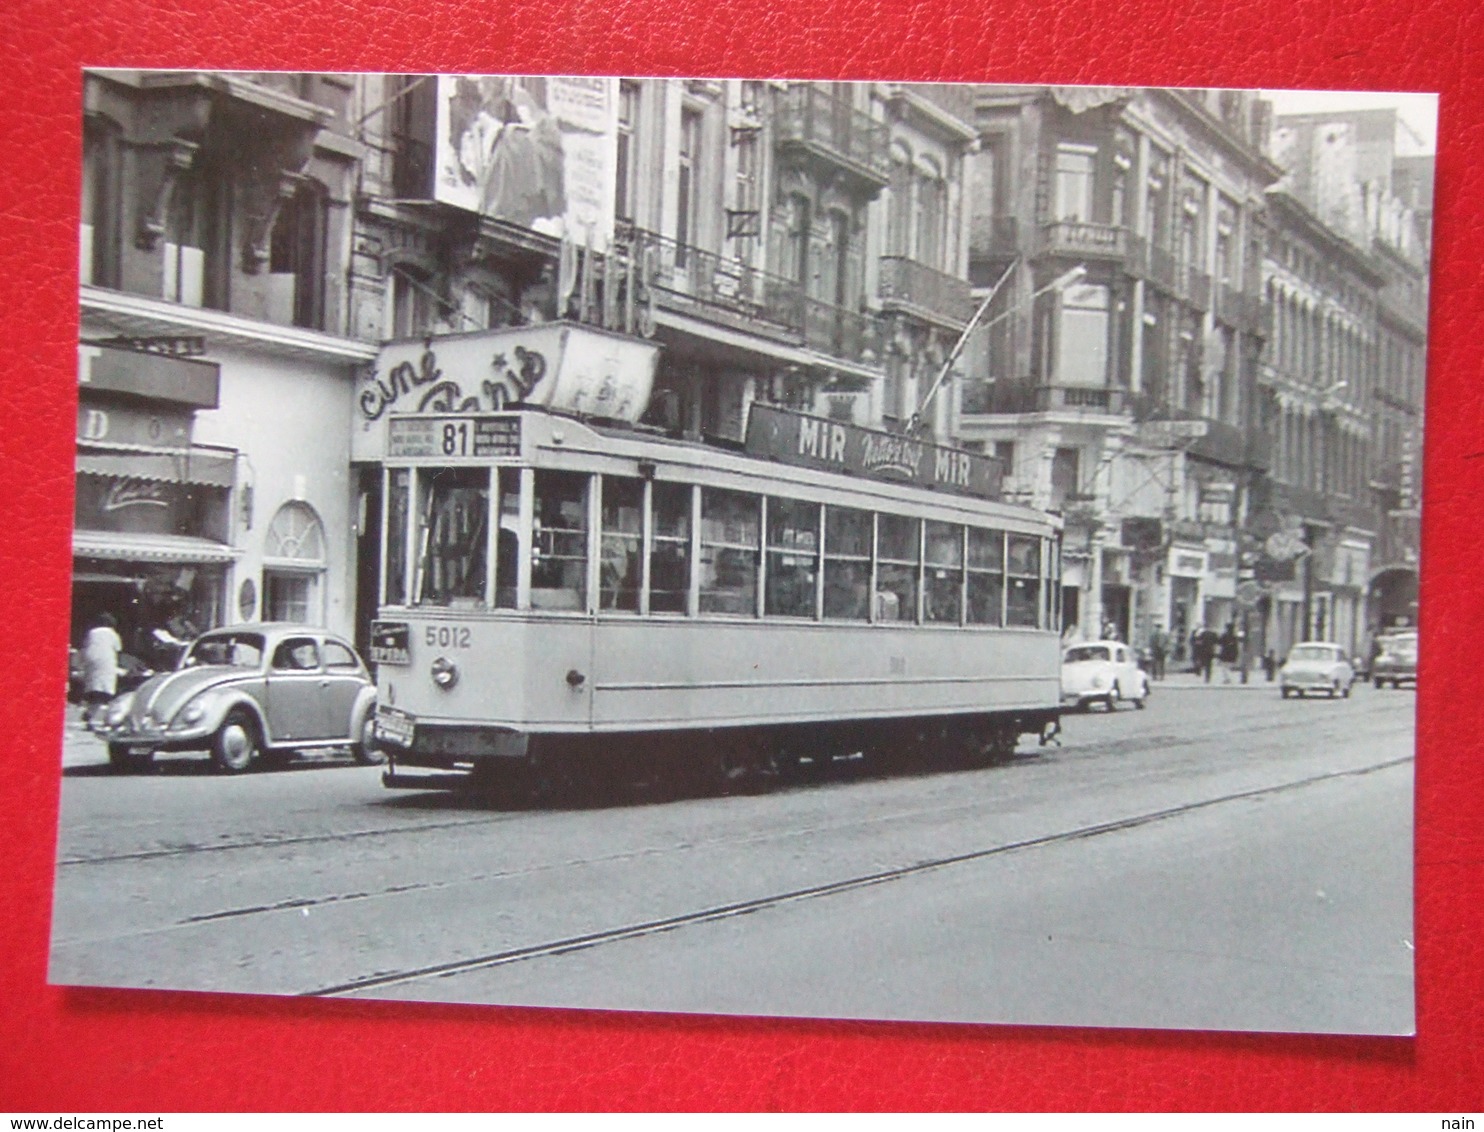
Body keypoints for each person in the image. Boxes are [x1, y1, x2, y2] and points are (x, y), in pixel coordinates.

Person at [79, 613, 123, 728]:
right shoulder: (112, 634)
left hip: (90, 660)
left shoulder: (92, 632)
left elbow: (85, 646)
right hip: (106, 661)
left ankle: (90, 714)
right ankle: (106, 720)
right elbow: (118, 648)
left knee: (93, 688)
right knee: (105, 691)